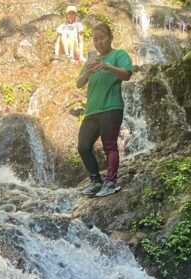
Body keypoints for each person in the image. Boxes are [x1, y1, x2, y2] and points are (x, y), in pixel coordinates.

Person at [75, 22, 133, 198]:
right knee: (83, 146)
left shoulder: (119, 54)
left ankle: (111, 182)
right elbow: (78, 84)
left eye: (102, 38)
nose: (99, 42)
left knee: (110, 146)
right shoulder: (90, 62)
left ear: (110, 38)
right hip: (92, 111)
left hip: (111, 107)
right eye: (95, 39)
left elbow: (127, 74)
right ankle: (95, 181)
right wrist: (87, 72)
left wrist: (107, 67)